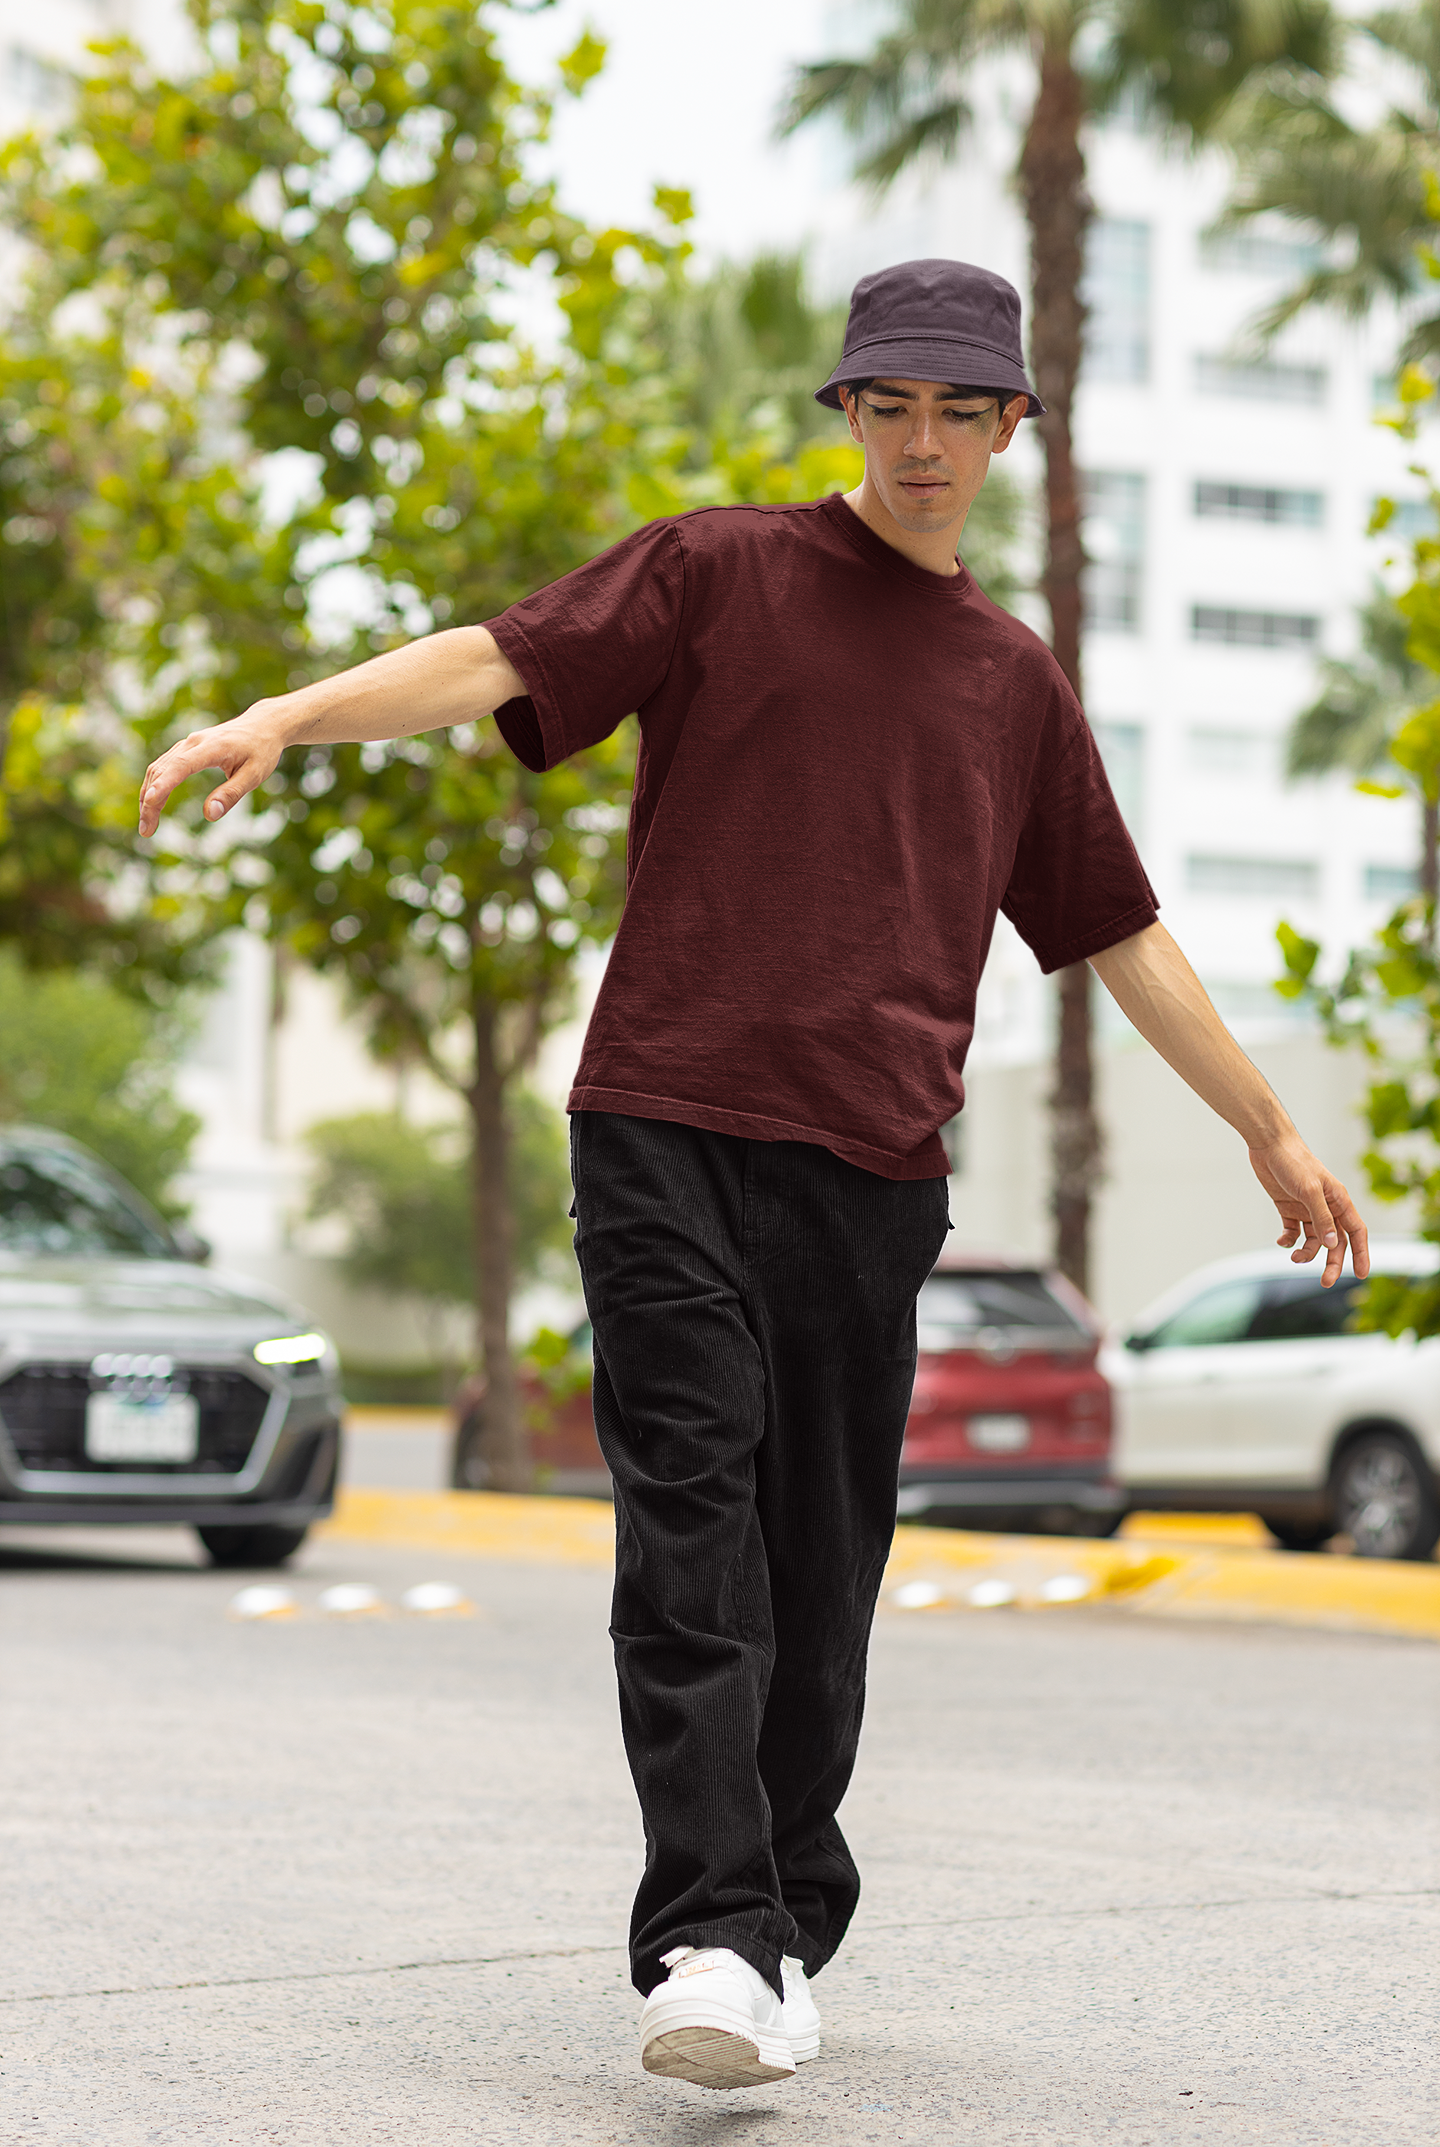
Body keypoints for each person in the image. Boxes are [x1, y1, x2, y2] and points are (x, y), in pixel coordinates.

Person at [139, 257, 1368, 2094]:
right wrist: (283, 720)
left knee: (823, 1571)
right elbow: (499, 655)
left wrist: (1264, 1120)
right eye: (894, 405)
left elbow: (1116, 932)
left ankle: (787, 1911)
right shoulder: (716, 569)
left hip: (872, 1170)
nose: (927, 441)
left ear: (1017, 429)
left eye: (965, 409)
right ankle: (707, 1934)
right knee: (691, 1529)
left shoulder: (1014, 687)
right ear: (848, 413)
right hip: (664, 1125)